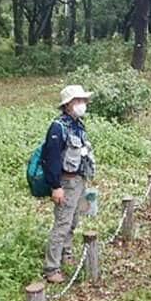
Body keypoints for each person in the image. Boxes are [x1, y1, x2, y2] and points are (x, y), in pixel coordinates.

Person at [43, 85, 95, 283]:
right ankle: (51, 268)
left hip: (79, 180)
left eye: (83, 100)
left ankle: (66, 253)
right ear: (68, 104)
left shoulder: (78, 124)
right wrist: (56, 186)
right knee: (62, 224)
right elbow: (52, 159)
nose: (83, 104)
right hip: (66, 182)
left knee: (73, 220)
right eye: (79, 100)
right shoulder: (58, 127)